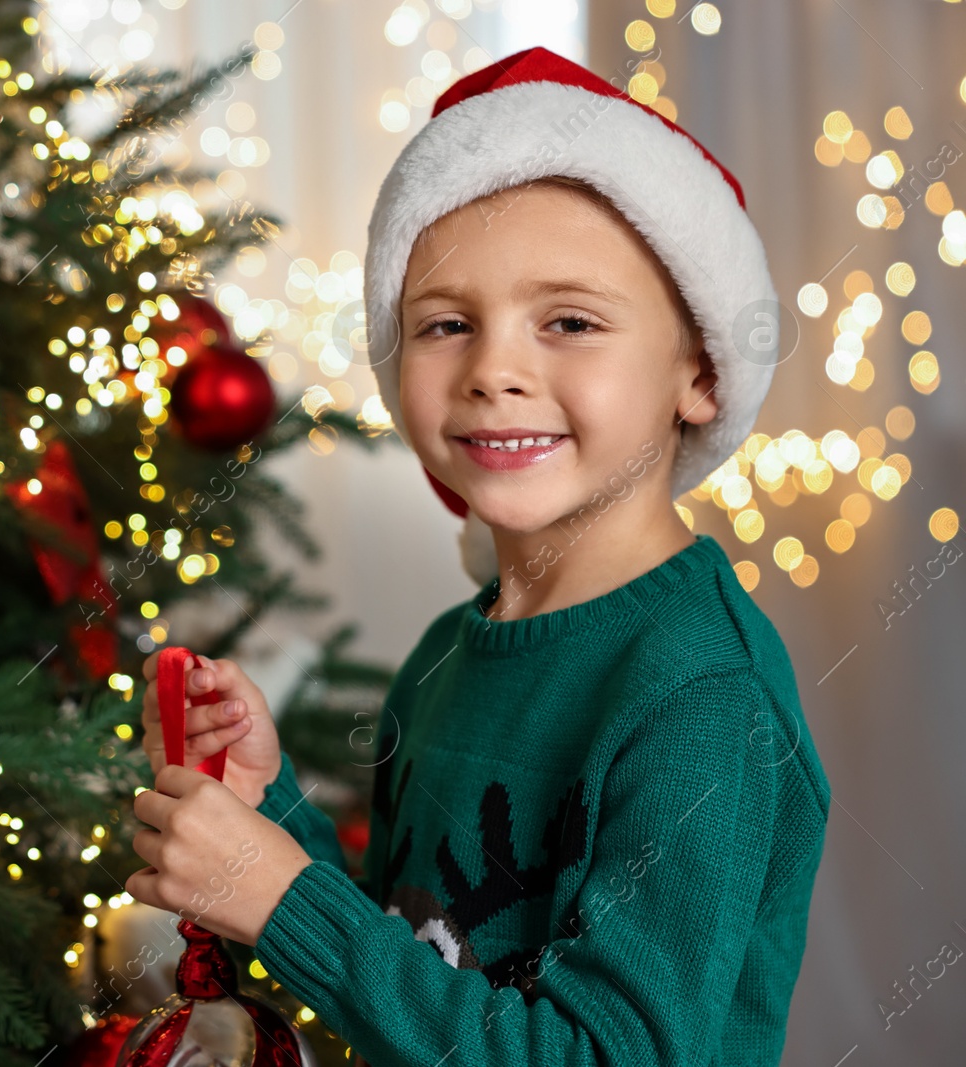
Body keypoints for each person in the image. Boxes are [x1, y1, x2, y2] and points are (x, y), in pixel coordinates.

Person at [125, 47, 830, 1066]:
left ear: (701, 371)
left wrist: (281, 896)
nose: (495, 369)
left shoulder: (701, 698)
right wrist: (262, 810)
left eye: (571, 321)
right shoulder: (451, 650)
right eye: (446, 323)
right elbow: (413, 973)